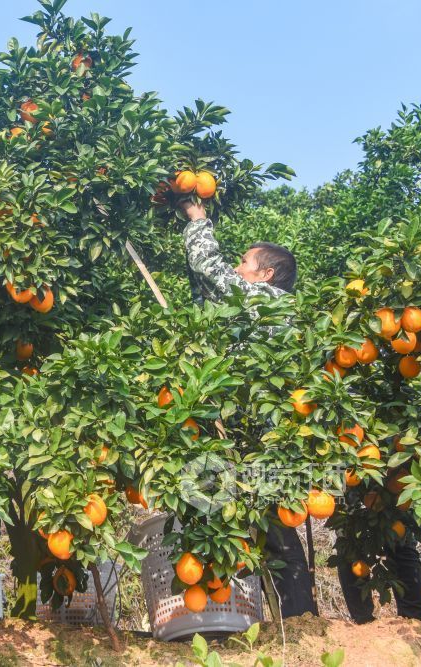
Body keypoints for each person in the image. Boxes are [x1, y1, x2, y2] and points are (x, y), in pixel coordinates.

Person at [177, 199, 316, 619]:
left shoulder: (265, 299)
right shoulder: (267, 308)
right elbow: (209, 288)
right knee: (268, 529)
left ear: (266, 274)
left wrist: (199, 221)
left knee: (275, 531)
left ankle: (299, 621)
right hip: (263, 432)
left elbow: (210, 266)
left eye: (244, 262)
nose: (238, 268)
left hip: (255, 436)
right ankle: (294, 618)